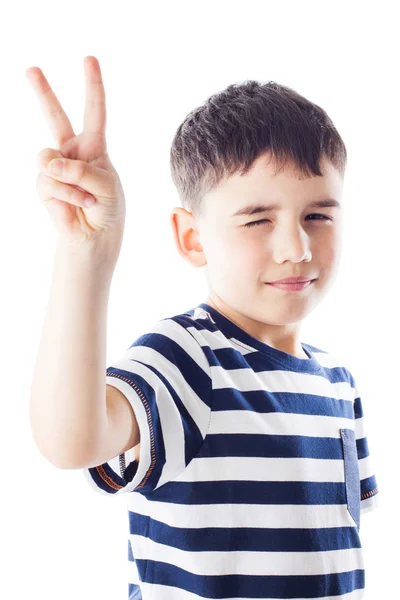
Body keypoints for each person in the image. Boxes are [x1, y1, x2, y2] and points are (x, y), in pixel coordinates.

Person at [27, 55, 379, 600]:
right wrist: (86, 255)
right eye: (258, 220)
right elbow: (72, 440)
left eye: (318, 215)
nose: (297, 249)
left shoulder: (338, 382)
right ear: (192, 238)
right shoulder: (188, 360)